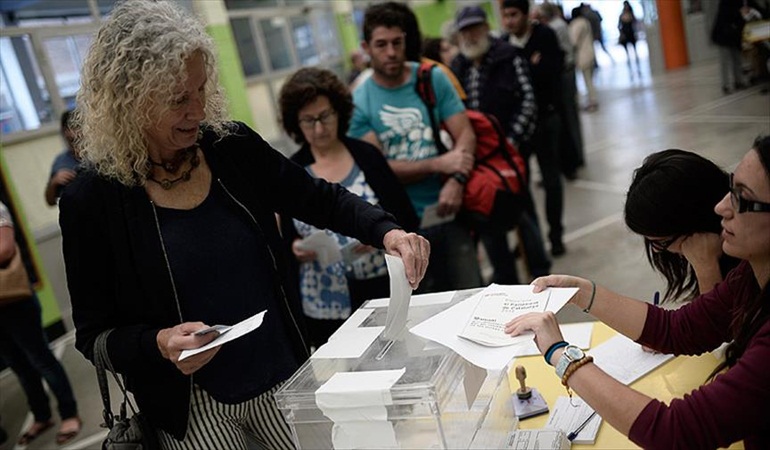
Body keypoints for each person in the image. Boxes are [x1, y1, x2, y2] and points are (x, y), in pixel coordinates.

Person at [59, 1, 429, 449]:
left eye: (200, 90)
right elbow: (95, 337)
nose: (198, 110)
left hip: (282, 377)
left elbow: (320, 199)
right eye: (178, 99)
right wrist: (159, 343)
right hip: (193, 410)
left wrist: (387, 231)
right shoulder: (92, 201)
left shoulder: (230, 148)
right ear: (130, 101)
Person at [506, 135, 770, 449]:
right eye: (731, 188)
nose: (722, 206)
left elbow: (675, 431)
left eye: (743, 198)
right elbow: (677, 329)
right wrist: (581, 292)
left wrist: (560, 354)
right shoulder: (749, 275)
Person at [278, 67, 419, 349]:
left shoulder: (366, 156)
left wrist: (378, 233)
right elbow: (285, 242)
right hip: (325, 304)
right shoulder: (292, 171)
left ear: (339, 112)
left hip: (381, 290)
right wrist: (295, 249)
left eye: (325, 116)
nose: (319, 129)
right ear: (296, 123)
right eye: (309, 121)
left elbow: (406, 216)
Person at [349, 2, 481, 294]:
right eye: (381, 44)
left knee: (471, 293)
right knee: (424, 307)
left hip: (449, 210)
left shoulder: (431, 78)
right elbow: (380, 169)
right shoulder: (359, 101)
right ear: (366, 48)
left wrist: (457, 181)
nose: (391, 52)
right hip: (402, 225)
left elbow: (465, 135)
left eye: (397, 42)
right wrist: (437, 164)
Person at [450, 5, 550, 284]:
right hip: (478, 161)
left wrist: (511, 143)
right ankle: (505, 281)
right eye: (464, 31)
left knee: (522, 211)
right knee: (485, 216)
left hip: (510, 153)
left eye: (474, 28)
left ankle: (540, 271)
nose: (470, 36)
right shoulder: (459, 66)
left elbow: (528, 102)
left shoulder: (509, 56)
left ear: (485, 27)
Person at [0, 201, 82, 446]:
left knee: (41, 359)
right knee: (19, 366)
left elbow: (5, 249)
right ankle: (42, 416)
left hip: (15, 301)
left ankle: (69, 414)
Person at [625, 149, 741, 303]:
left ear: (696, 227)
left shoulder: (753, 266)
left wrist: (706, 268)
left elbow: (715, 319)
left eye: (661, 242)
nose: (656, 250)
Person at [501, 0, 567, 256]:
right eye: (505, 15)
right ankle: (531, 239)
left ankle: (556, 235)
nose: (509, 21)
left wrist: (530, 69)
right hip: (519, 128)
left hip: (546, 120)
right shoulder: (504, 45)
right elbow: (509, 87)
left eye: (514, 14)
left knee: (551, 181)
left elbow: (552, 73)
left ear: (526, 14)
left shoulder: (544, 35)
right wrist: (532, 64)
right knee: (520, 185)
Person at [45, 109, 82, 206]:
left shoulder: (98, 157)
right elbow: (50, 201)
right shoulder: (61, 161)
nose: (74, 134)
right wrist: (54, 183)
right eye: (69, 129)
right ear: (64, 133)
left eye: (77, 127)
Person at [711, 0, 748, 94]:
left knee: (737, 58)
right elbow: (726, 16)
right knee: (725, 60)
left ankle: (738, 81)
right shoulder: (726, 3)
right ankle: (726, 85)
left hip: (734, 33)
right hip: (723, 33)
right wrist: (740, 14)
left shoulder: (742, 2)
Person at [570, 6, 599, 112]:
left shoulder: (576, 24)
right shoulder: (585, 22)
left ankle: (592, 101)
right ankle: (592, 100)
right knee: (589, 80)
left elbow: (573, 41)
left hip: (582, 55)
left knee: (587, 80)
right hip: (590, 52)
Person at [618, 1, 642, 78]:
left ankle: (637, 69)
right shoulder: (622, 15)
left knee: (634, 52)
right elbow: (619, 26)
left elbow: (635, 24)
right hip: (626, 36)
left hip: (631, 35)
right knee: (628, 54)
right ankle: (631, 70)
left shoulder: (631, 15)